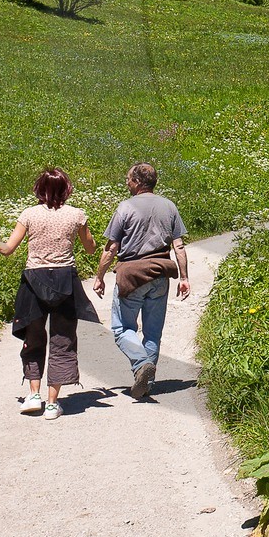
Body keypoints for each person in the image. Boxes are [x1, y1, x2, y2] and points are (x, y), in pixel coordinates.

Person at [0, 167, 98, 421]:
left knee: (34, 338)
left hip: (33, 281)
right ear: (66, 189)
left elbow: (7, 249)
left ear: (40, 189)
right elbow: (90, 249)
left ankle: (33, 395)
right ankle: (52, 403)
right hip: (65, 281)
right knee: (62, 340)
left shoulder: (29, 214)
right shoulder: (76, 215)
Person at [93, 162, 189, 399]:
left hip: (132, 276)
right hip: (160, 273)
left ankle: (141, 365)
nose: (126, 182)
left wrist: (100, 276)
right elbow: (179, 246)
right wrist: (184, 277)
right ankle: (146, 382)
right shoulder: (169, 206)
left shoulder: (125, 208)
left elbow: (111, 247)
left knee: (122, 328)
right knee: (153, 332)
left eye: (128, 179)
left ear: (137, 182)